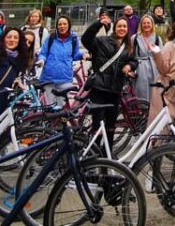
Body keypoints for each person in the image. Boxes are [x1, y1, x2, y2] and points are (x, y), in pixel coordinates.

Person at [81, 16, 137, 150]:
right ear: (114, 28)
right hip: (99, 88)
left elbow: (134, 60)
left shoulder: (128, 46)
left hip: (115, 89)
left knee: (111, 125)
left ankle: (107, 152)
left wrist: (130, 66)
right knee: (98, 125)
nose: (122, 29)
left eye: (124, 26)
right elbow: (86, 39)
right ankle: (94, 153)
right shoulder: (101, 41)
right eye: (119, 26)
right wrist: (98, 24)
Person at [36, 15, 84, 107]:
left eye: (64, 24)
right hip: (48, 79)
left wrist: (83, 55)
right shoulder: (51, 38)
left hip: (65, 79)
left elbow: (75, 55)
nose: (62, 26)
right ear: (57, 26)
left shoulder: (73, 39)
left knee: (62, 108)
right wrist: (42, 60)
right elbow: (43, 53)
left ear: (69, 25)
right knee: (49, 108)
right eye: (60, 24)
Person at [133, 14, 163, 102]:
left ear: (152, 24)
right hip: (140, 68)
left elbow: (161, 55)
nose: (146, 25)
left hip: (154, 68)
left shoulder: (157, 38)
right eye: (144, 23)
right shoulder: (135, 38)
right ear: (141, 25)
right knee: (140, 91)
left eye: (148, 23)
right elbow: (131, 54)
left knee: (154, 92)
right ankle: (141, 108)